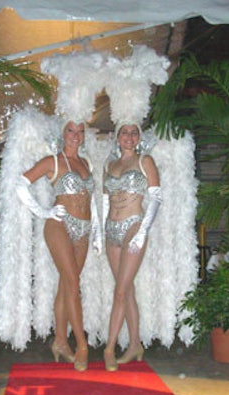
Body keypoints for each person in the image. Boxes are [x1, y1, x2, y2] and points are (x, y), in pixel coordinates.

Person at [16, 120, 102, 372]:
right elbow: (21, 183)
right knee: (73, 285)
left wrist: (95, 232)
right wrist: (43, 211)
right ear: (63, 133)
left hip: (84, 230)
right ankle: (82, 346)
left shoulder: (86, 164)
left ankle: (61, 342)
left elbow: (91, 201)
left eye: (80, 131)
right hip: (59, 226)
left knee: (66, 286)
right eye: (70, 130)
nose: (75, 135)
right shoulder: (52, 161)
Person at [102, 123, 162, 372]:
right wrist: (98, 233)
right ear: (117, 136)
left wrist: (142, 233)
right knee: (126, 292)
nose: (129, 137)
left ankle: (109, 349)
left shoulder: (145, 161)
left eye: (133, 132)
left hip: (133, 227)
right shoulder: (110, 165)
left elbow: (156, 198)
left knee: (120, 290)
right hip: (111, 230)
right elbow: (106, 200)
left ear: (139, 137)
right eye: (124, 132)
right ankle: (135, 344)